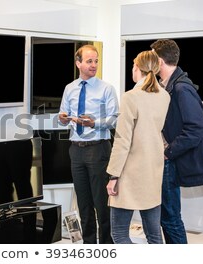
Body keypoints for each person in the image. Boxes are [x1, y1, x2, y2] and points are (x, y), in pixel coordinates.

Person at [150, 39, 203, 244]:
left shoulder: (181, 89)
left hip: (172, 161)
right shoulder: (168, 86)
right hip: (170, 162)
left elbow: (196, 128)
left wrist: (168, 151)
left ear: (159, 61)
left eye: (152, 57)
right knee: (167, 218)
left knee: (170, 220)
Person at [106, 50, 170, 244]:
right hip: (152, 172)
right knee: (154, 236)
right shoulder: (164, 96)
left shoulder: (131, 97)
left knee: (119, 234)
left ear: (137, 69)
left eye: (133, 67)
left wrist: (113, 175)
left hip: (130, 173)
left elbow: (123, 140)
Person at [58, 44, 119, 244]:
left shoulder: (106, 89)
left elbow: (114, 119)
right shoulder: (69, 88)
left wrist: (94, 123)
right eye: (89, 61)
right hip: (76, 150)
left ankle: (107, 247)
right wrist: (64, 118)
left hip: (98, 148)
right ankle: (89, 246)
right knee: (84, 204)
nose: (94, 65)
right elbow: (61, 116)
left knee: (102, 204)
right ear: (78, 63)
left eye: (96, 61)